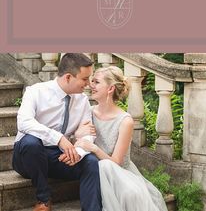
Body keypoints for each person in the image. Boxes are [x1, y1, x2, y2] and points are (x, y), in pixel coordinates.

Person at [70, 65, 168, 211]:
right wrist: (77, 135)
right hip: (93, 171)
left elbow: (116, 162)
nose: (91, 85)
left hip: (120, 173)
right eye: (92, 81)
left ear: (110, 89)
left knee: (107, 167)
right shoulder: (88, 112)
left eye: (97, 82)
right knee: (100, 166)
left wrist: (94, 148)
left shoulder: (125, 121)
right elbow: (77, 143)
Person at [12, 53, 102, 211]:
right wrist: (59, 138)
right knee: (31, 142)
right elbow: (24, 122)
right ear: (68, 77)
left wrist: (78, 152)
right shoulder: (35, 91)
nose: (88, 84)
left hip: (59, 157)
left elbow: (88, 133)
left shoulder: (82, 101)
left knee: (91, 162)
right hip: (28, 158)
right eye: (84, 79)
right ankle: (44, 200)